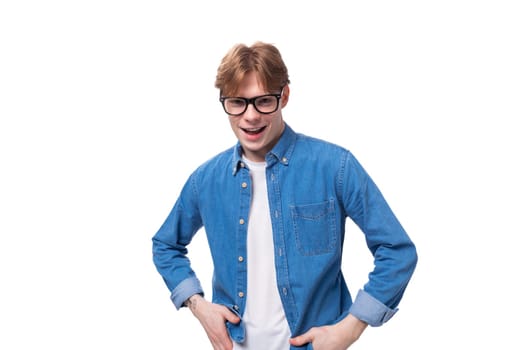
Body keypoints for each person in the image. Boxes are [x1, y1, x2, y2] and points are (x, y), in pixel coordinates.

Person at [152, 41, 418, 350]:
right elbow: (165, 245)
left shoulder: (335, 167)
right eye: (237, 102)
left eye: (263, 101)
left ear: (285, 96)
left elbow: (397, 250)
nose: (250, 116)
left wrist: (350, 328)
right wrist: (199, 307)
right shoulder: (206, 180)